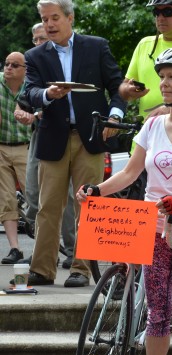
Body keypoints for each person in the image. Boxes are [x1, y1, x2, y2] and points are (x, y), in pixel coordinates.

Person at [76, 48, 172, 355]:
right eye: (162, 77)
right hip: (152, 229)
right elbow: (131, 172)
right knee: (155, 313)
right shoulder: (153, 126)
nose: (164, 84)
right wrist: (96, 190)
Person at [22, 0, 126, 287]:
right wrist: (47, 94)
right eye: (45, 19)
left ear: (70, 18)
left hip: (90, 137)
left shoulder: (96, 46)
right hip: (53, 136)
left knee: (88, 205)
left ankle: (81, 269)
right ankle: (42, 270)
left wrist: (115, 116)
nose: (49, 25)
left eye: (55, 18)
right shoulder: (35, 55)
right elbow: (29, 92)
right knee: (47, 207)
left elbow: (117, 86)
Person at [19, 22, 77, 270]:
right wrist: (24, 112)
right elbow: (24, 100)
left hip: (74, 136)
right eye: (36, 40)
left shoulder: (68, 59)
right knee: (37, 199)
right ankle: (46, 255)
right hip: (43, 137)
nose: (40, 44)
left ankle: (74, 253)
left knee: (72, 200)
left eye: (43, 38)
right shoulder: (34, 61)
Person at [0, 52, 33, 264]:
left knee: (34, 197)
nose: (9, 68)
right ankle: (14, 248)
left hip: (26, 147)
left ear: (25, 70)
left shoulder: (30, 88)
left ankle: (43, 247)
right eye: (6, 64)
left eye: (14, 65)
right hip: (1, 147)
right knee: (6, 199)